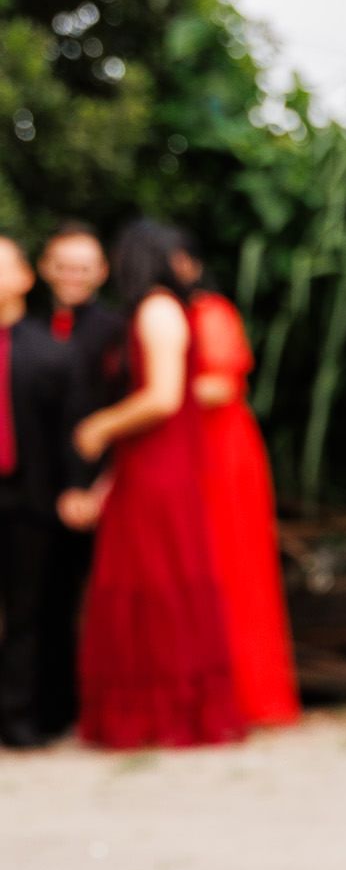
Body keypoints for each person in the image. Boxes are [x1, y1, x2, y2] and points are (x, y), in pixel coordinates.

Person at [72, 220, 243, 752]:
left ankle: (169, 715)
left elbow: (164, 397)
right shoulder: (160, 311)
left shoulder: (159, 310)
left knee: (160, 585)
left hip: (160, 469)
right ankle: (147, 715)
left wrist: (101, 426)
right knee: (143, 583)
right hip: (146, 466)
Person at [170, 232, 300, 728]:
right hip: (188, 450)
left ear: (192, 264)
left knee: (233, 567)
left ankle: (250, 695)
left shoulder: (211, 312)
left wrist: (150, 395)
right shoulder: (173, 317)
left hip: (221, 453)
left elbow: (219, 386)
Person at [36, 223, 125, 737]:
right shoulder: (25, 326)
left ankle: (94, 709)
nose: (73, 276)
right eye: (64, 265)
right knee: (38, 604)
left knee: (96, 604)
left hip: (98, 489)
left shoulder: (116, 332)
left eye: (84, 267)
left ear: (102, 272)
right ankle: (44, 712)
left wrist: (97, 487)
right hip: (30, 492)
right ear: (46, 269)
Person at [0, 235, 72, 748]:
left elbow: (70, 433)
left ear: (26, 277)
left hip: (29, 500)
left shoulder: (50, 352)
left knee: (28, 613)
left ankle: (19, 721)